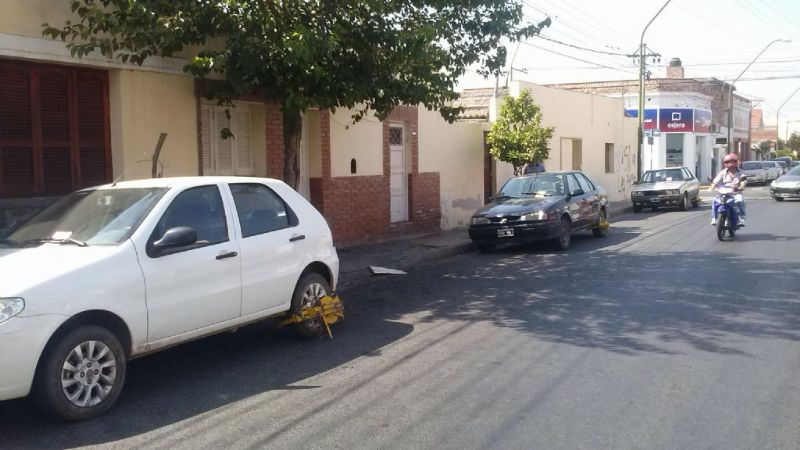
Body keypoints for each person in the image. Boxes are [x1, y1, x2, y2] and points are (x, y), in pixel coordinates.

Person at [709, 152, 747, 226]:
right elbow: (716, 181)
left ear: (736, 162)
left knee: (739, 201)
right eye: (728, 162)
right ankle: (714, 218)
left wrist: (741, 187)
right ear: (725, 163)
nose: (731, 164)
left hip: (735, 193)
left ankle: (741, 219)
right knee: (714, 201)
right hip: (723, 194)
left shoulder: (742, 173)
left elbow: (743, 182)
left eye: (733, 162)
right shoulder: (722, 173)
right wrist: (712, 186)